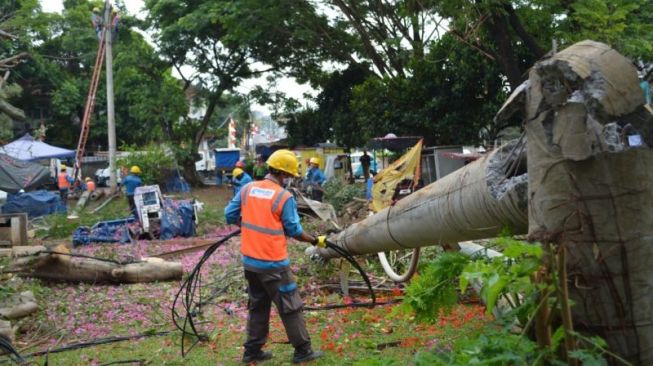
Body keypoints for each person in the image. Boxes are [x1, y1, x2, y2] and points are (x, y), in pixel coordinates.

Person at [224, 149, 325, 364]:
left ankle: (252, 352)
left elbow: (229, 215)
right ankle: (303, 350)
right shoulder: (283, 196)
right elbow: (295, 231)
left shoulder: (247, 189)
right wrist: (315, 240)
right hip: (274, 265)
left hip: (251, 263)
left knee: (258, 305)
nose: (289, 180)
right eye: (289, 176)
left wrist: (245, 226)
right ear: (284, 174)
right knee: (290, 306)